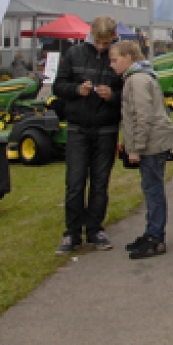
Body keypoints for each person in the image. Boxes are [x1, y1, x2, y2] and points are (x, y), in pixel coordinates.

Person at [52, 16, 123, 254]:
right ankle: (72, 233)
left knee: (100, 183)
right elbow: (57, 86)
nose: (102, 47)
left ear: (113, 37)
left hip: (106, 128)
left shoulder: (118, 57)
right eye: (99, 41)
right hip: (78, 127)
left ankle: (95, 229)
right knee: (74, 182)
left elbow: (127, 93)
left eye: (107, 42)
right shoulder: (74, 53)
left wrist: (111, 95)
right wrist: (75, 89)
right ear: (91, 34)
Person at [109, 40, 173, 259]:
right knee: (151, 188)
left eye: (115, 60)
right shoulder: (138, 77)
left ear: (128, 58)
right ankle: (151, 233)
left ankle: (155, 237)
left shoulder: (136, 80)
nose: (112, 65)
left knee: (153, 189)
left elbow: (142, 116)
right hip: (154, 141)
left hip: (151, 144)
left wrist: (135, 148)